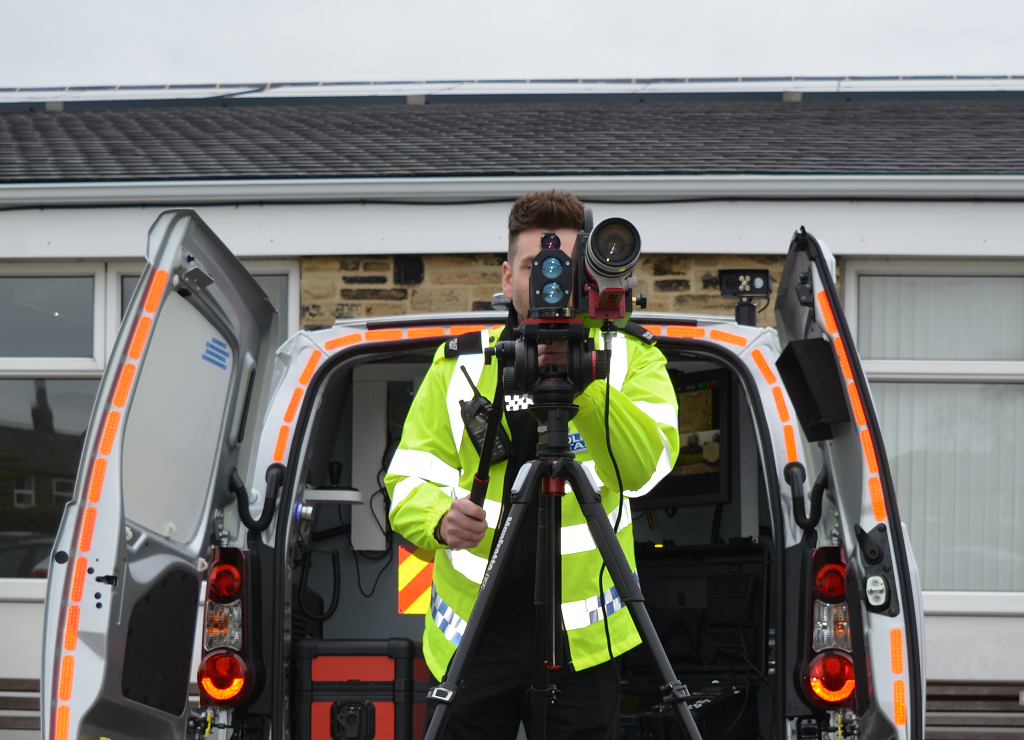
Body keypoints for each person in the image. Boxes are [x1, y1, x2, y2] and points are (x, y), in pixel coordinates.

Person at [385, 190, 679, 739]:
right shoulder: (460, 365)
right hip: (474, 633)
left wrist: (583, 387)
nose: (550, 282)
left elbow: (646, 467)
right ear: (506, 279)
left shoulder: (630, 358)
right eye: (535, 267)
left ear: (588, 279)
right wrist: (438, 518)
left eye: (565, 268)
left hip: (583, 638)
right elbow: (405, 477)